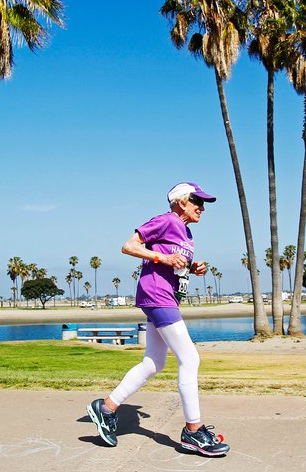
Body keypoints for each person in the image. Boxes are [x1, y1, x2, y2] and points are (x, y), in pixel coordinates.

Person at [86, 182, 229, 457]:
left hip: (166, 297)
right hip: (156, 295)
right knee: (190, 359)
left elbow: (176, 261)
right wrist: (162, 258)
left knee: (154, 362)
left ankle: (105, 409)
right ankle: (193, 432)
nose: (202, 208)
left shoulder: (186, 232)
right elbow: (128, 246)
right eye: (197, 201)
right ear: (180, 202)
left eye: (204, 203)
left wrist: (193, 266)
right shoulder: (165, 220)